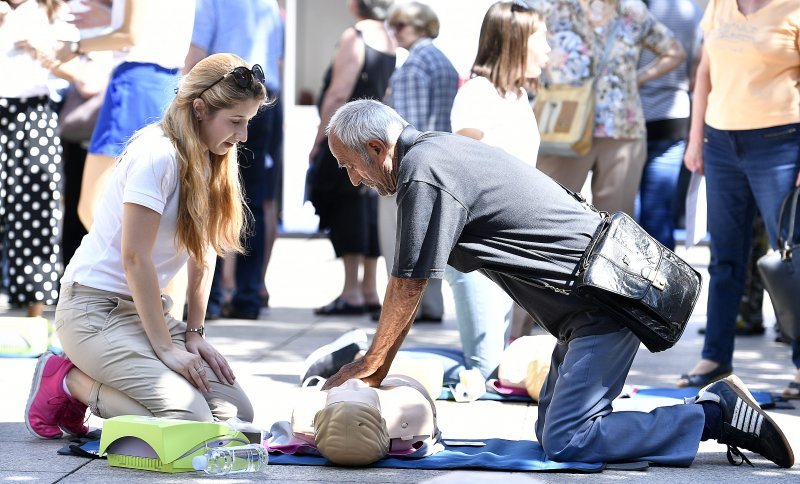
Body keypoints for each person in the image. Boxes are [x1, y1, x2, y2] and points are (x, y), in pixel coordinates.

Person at [320, 99, 794, 468]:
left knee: (570, 442)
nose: (355, 179)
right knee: (553, 435)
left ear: (379, 149)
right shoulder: (436, 152)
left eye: (350, 165)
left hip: (602, 304)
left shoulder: (424, 171)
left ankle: (713, 414)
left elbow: (408, 282)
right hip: (582, 308)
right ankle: (706, 412)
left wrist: (373, 364)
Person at [24, 53, 265, 439]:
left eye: (248, 122)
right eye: (235, 122)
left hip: (143, 313)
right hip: (93, 310)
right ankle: (67, 380)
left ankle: (106, 374)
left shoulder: (213, 155)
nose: (243, 136)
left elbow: (204, 253)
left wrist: (194, 333)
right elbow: (134, 258)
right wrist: (166, 349)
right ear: (200, 109)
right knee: (189, 420)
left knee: (235, 414)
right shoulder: (158, 154)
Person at [678, 0, 800, 399]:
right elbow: (704, 72)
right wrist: (696, 139)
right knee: (724, 258)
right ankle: (715, 358)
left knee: (792, 259)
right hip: (720, 143)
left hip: (780, 143)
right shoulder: (719, 6)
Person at [52, 0, 195, 320]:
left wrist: (74, 45)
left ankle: (143, 304)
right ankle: (159, 316)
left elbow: (129, 34)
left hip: (136, 82)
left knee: (93, 205)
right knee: (160, 221)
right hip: (159, 81)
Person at [444, 0, 549, 379]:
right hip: (478, 249)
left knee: (494, 365)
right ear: (515, 42)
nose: (548, 48)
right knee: (483, 367)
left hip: (507, 246)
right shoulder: (478, 95)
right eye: (542, 38)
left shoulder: (518, 97)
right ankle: (366, 354)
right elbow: (465, 176)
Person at [536, 0, 685, 217]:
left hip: (621, 129)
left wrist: (637, 78)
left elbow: (675, 52)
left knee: (615, 224)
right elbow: (519, 39)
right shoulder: (551, 6)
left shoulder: (633, 10)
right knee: (549, 214)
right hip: (563, 125)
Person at [185, 0, 282, 320]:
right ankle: (248, 295)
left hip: (227, 101)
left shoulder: (212, 2)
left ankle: (209, 300)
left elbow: (197, 58)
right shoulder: (268, 4)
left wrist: (182, 99)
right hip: (262, 101)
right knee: (252, 200)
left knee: (211, 194)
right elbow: (277, 62)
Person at [308, 0, 395, 316]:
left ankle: (351, 291)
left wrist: (321, 138)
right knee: (369, 207)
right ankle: (369, 288)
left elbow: (338, 93)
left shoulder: (355, 37)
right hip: (376, 138)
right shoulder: (389, 37)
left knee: (345, 207)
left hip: (347, 135)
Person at [380, 0, 458, 323]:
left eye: (401, 26)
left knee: (399, 236)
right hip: (444, 159)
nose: (393, 32)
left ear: (422, 27)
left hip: (414, 163)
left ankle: (404, 310)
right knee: (434, 238)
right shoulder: (443, 61)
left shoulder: (413, 66)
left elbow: (408, 125)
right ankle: (431, 304)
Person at [0, 0, 79, 317]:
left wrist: (41, 51)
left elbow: (82, 73)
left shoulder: (55, 11)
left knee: (37, 208)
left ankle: (34, 315)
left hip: (35, 111)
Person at [635, 0, 703, 250]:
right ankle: (661, 285)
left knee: (625, 212)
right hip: (673, 115)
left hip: (630, 117)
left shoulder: (633, 7)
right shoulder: (693, 11)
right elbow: (696, 73)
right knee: (659, 213)